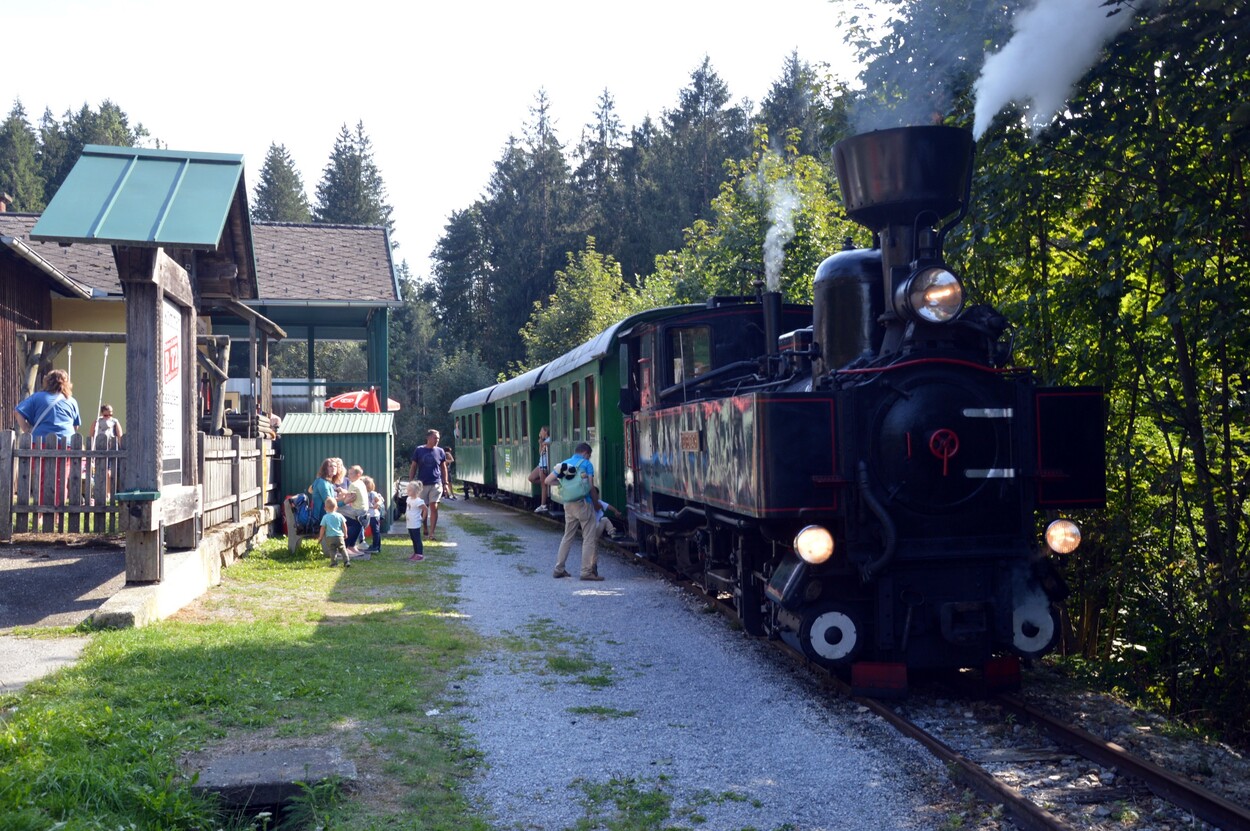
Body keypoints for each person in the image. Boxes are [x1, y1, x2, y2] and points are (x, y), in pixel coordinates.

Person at [15, 370, 81, 508]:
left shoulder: (37, 397)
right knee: (61, 478)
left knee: (42, 477)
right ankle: (58, 511)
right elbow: (75, 426)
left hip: (40, 441)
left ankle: (41, 511)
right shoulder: (71, 400)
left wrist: (26, 429)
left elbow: (18, 411)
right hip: (65, 443)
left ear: (47, 381)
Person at [546, 442, 602, 581]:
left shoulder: (564, 464)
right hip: (583, 503)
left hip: (568, 504)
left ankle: (558, 569)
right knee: (588, 538)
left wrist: (562, 484)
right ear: (585, 453)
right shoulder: (587, 464)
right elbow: (591, 487)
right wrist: (596, 504)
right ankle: (586, 572)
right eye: (589, 455)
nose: (589, 458)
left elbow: (547, 481)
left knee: (567, 537)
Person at [408, 429, 448, 541]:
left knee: (434, 507)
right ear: (428, 438)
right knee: (423, 508)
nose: (437, 440)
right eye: (435, 438)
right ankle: (425, 526)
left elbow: (443, 468)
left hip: (436, 483)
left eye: (438, 438)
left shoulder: (440, 451)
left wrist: (445, 483)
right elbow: (414, 466)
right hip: (422, 484)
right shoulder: (419, 450)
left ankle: (432, 533)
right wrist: (411, 481)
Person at [339, 465, 371, 557]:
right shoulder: (361, 483)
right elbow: (353, 494)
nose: (349, 476)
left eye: (351, 474)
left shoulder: (353, 485)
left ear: (358, 474)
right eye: (349, 474)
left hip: (356, 511)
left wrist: (338, 501)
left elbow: (351, 498)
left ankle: (344, 548)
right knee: (357, 525)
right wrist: (344, 492)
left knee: (336, 509)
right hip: (364, 510)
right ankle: (351, 546)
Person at [318, 497, 351, 568]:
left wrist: (320, 537)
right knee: (343, 549)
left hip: (330, 537)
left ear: (325, 508)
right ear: (336, 507)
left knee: (332, 550)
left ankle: (334, 563)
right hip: (339, 536)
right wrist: (345, 533)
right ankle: (346, 561)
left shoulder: (325, 517)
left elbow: (322, 528)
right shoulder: (340, 516)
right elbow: (344, 526)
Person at [307, 458, 339, 531]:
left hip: (327, 517)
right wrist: (345, 501)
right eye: (330, 466)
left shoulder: (328, 482)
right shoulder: (322, 482)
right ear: (325, 469)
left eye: (335, 466)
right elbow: (329, 503)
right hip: (321, 520)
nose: (333, 468)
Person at [529, 425, 552, 513]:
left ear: (545, 431)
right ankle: (547, 483)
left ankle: (543, 505)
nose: (540, 433)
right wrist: (540, 443)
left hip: (545, 465)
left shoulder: (549, 440)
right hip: (540, 464)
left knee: (543, 485)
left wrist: (542, 442)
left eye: (541, 431)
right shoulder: (544, 441)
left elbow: (548, 444)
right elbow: (540, 452)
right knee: (531, 478)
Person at [404, 481, 428, 562]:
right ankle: (415, 553)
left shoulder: (418, 501)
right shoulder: (408, 499)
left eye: (409, 490)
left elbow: (425, 509)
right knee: (413, 538)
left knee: (417, 539)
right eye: (407, 490)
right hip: (409, 522)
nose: (407, 492)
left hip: (415, 522)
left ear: (415, 491)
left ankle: (420, 554)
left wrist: (423, 518)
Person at [363, 475, 385, 554]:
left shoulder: (372, 493)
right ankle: (376, 546)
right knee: (374, 531)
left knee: (375, 531)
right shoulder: (363, 494)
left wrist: (377, 504)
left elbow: (379, 500)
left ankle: (376, 546)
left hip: (374, 515)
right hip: (369, 514)